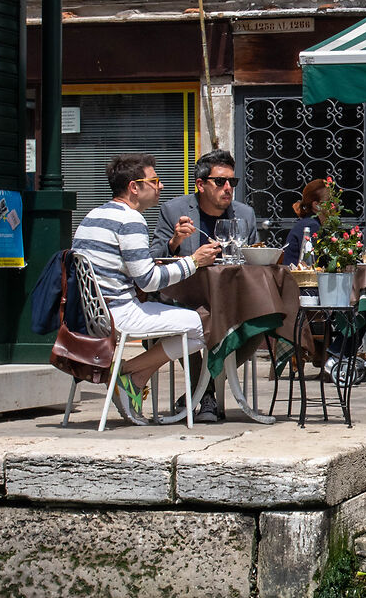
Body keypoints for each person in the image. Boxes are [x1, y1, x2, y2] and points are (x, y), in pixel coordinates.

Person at [72, 152, 204, 423]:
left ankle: (135, 376)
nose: (161, 186)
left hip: (96, 315)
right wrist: (194, 261)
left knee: (194, 321)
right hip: (121, 314)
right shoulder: (130, 220)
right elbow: (149, 280)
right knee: (205, 324)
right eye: (154, 180)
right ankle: (127, 372)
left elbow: (129, 268)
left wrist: (171, 247)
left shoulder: (93, 215)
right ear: (134, 187)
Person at [151, 149, 260, 260]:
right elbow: (153, 259)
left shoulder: (245, 214)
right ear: (201, 184)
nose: (228, 188)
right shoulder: (173, 211)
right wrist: (173, 243)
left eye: (232, 182)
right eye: (220, 181)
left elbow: (256, 260)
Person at [281, 177, 334, 266]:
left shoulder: (310, 223)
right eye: (329, 201)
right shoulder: (311, 226)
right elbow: (312, 264)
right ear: (316, 205)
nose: (334, 205)